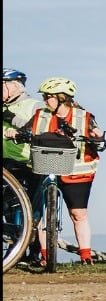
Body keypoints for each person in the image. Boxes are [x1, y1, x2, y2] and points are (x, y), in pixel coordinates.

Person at [17, 78, 106, 264]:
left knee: (78, 214)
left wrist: (98, 138)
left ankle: (86, 256)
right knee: (41, 215)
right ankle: (46, 256)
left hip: (77, 172)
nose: (44, 100)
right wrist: (16, 134)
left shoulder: (84, 117)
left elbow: (100, 145)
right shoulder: (39, 115)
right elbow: (25, 132)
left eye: (48, 97)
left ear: (62, 98)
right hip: (45, 167)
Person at [2, 69, 43, 261]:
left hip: (24, 161)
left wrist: (10, 117)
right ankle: (15, 249)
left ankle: (32, 251)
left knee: (29, 208)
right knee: (8, 208)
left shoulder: (33, 105)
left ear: (15, 87)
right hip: (4, 163)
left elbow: (35, 128)